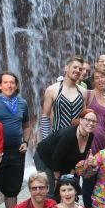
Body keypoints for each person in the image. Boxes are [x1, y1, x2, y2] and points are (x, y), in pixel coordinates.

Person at [39, 56, 90, 188]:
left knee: (72, 186)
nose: (77, 71)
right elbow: (45, 116)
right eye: (75, 67)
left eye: (80, 69)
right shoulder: (53, 90)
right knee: (54, 187)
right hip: (56, 143)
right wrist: (46, 139)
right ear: (66, 68)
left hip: (75, 146)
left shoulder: (83, 92)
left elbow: (84, 118)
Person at [0, 72, 30, 208]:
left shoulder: (22, 103)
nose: (9, 85)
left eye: (12, 82)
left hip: (16, 152)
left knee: (12, 192)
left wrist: (25, 142)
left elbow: (26, 126)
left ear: (16, 85)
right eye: (5, 82)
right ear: (0, 85)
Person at [82, 69, 105, 208]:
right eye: (97, 78)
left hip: (102, 141)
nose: (100, 80)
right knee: (88, 173)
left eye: (103, 77)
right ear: (93, 81)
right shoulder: (88, 95)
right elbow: (81, 116)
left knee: (100, 174)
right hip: (89, 140)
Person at [36, 109, 96, 182]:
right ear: (80, 120)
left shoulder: (90, 136)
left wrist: (70, 177)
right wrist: (58, 180)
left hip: (64, 161)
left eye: (94, 121)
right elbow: (56, 159)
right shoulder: (68, 135)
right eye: (88, 120)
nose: (91, 123)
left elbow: (78, 159)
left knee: (71, 185)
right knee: (53, 189)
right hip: (45, 157)